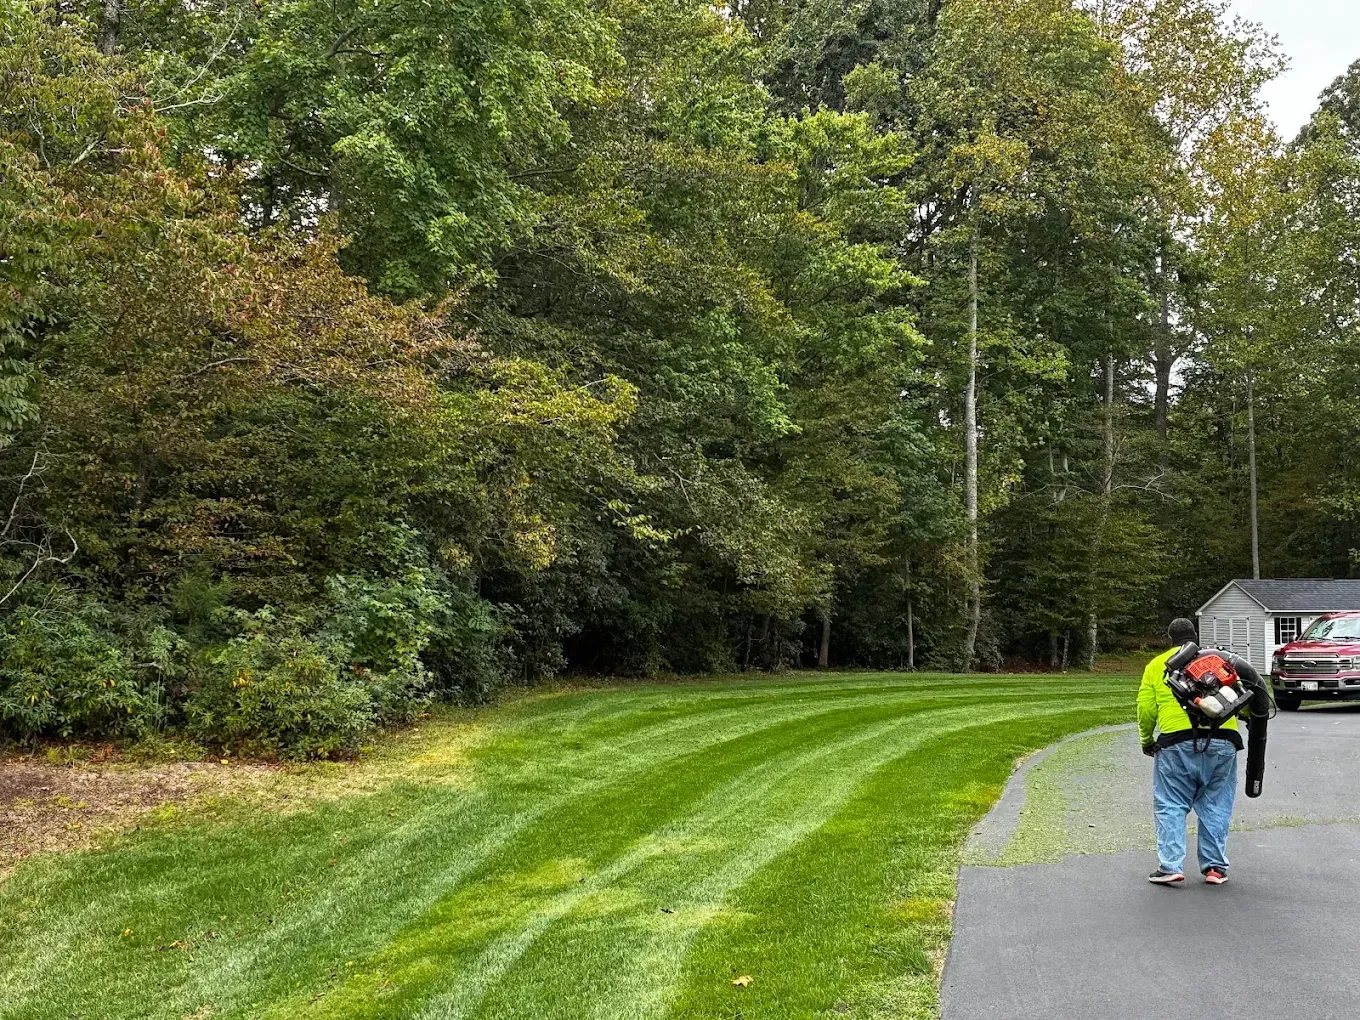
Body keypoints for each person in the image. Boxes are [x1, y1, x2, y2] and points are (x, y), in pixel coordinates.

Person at [1137, 617, 1241, 886]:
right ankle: (1215, 868)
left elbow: (1146, 708)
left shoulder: (1156, 666)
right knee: (1216, 803)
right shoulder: (1217, 661)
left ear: (1170, 638)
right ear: (1195, 635)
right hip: (1223, 739)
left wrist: (1147, 740)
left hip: (1175, 742)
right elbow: (1244, 697)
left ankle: (1170, 865)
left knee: (1170, 803)